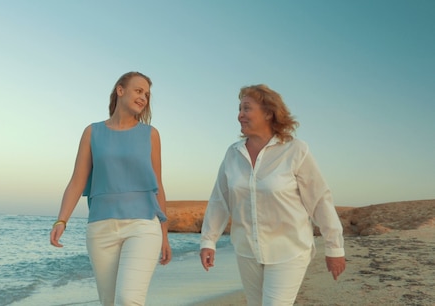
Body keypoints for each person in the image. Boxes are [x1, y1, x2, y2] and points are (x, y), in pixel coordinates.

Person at [199, 84, 346, 306]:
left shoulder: (295, 150)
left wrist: (335, 246)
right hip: (247, 250)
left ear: (268, 112)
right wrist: (208, 241)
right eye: (239, 109)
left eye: (246, 108)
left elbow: (319, 200)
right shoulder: (233, 153)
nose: (239, 115)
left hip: (289, 249)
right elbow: (220, 200)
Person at [50, 71, 172, 306]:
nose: (143, 98)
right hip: (100, 228)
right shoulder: (92, 132)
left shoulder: (150, 134)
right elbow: (77, 180)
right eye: (138, 91)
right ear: (120, 90)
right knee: (109, 302)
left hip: (143, 226)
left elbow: (158, 186)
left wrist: (164, 236)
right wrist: (61, 220)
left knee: (128, 300)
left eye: (146, 94)